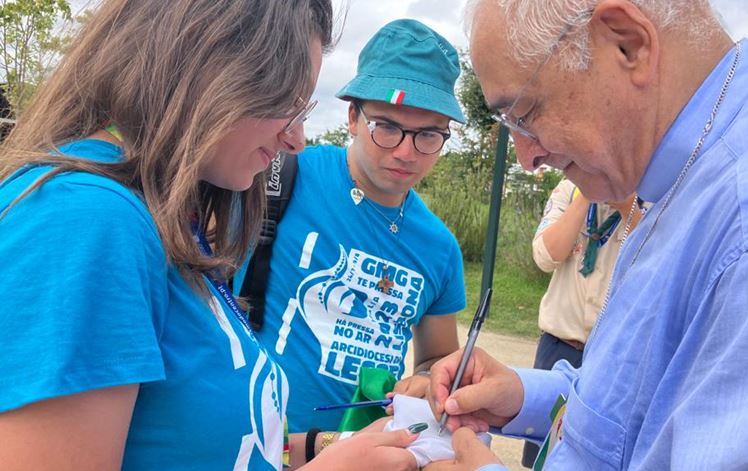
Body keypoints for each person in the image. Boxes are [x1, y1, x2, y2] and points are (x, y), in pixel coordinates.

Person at [0, 1, 420, 470]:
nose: (296, 139)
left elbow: (204, 439)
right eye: (286, 105)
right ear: (208, 68)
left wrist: (323, 447)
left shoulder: (166, 219)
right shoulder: (82, 220)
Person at [427, 0, 748, 469]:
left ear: (627, 43)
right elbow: (645, 399)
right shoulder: (685, 172)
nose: (526, 157)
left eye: (525, 112)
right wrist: (525, 396)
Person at [239, 19, 466, 433]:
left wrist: (426, 380)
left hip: (368, 453)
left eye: (428, 135)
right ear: (353, 117)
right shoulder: (276, 178)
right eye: (387, 128)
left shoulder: (440, 248)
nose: (405, 151)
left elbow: (437, 359)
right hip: (258, 442)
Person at [521, 179, 639, 467]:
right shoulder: (568, 190)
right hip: (559, 345)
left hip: (612, 355)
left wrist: (626, 207)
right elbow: (546, 256)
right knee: (544, 454)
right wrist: (585, 194)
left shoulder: (645, 198)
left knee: (593, 454)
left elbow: (654, 252)